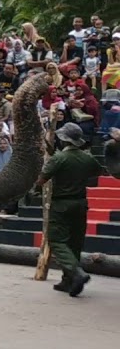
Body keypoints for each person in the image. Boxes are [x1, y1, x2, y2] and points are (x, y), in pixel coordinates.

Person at [36, 122, 115, 297]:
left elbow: (41, 180)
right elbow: (97, 172)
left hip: (61, 204)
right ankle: (68, 280)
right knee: (75, 243)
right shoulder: (87, 158)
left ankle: (76, 272)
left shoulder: (59, 158)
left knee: (56, 240)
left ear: (64, 140)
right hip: (80, 202)